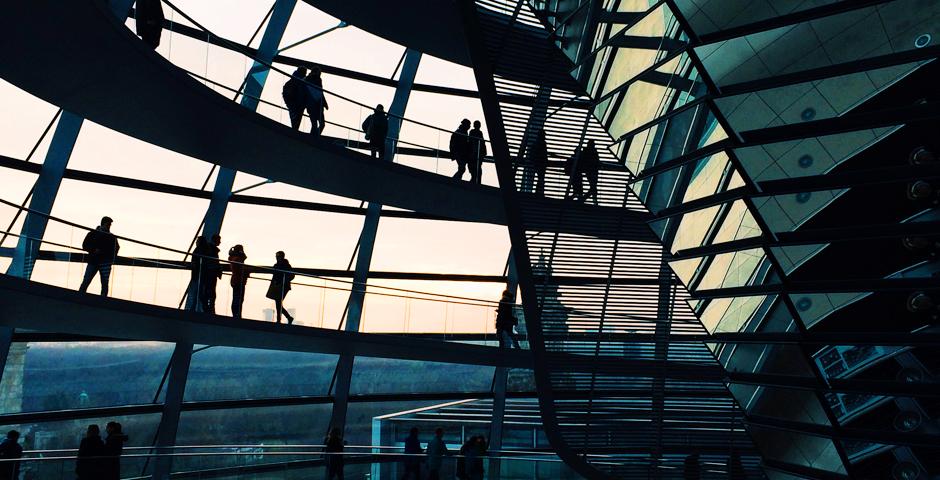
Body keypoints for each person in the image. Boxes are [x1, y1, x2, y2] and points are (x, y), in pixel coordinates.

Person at [79, 216, 120, 296]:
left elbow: (85, 245)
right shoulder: (110, 236)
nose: (109, 226)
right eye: (108, 225)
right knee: (98, 282)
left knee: (88, 281)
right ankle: (102, 300)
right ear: (104, 224)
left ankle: (79, 297)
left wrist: (93, 250)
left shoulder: (93, 233)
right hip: (102, 261)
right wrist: (95, 250)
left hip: (96, 261)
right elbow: (85, 245)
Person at [191, 234, 222, 313]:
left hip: (202, 274)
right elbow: (213, 262)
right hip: (208, 274)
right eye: (219, 240)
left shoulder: (201, 250)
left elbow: (195, 262)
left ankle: (197, 308)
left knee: (200, 292)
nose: (220, 242)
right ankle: (207, 309)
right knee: (206, 292)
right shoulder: (210, 250)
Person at [266, 251, 295, 324]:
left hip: (282, 286)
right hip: (280, 286)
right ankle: (286, 318)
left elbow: (291, 275)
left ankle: (282, 319)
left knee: (278, 303)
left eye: (277, 256)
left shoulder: (283, 265)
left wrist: (284, 281)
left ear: (281, 257)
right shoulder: (284, 265)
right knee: (278, 303)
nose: (276, 257)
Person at [569, 139, 600, 204]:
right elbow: (596, 161)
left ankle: (583, 199)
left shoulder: (585, 151)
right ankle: (587, 200)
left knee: (592, 187)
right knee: (593, 187)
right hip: (592, 171)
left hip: (589, 171)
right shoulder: (593, 151)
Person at [305, 67, 328, 137]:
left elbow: (320, 92)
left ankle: (313, 138)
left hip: (313, 104)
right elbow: (320, 92)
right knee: (319, 124)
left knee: (315, 124)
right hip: (315, 104)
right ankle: (314, 138)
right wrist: (325, 103)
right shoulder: (316, 79)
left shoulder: (307, 79)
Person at [228, 245, 249, 318]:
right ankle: (237, 314)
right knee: (239, 299)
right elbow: (240, 270)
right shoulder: (238, 259)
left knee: (236, 298)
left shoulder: (234, 258)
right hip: (239, 281)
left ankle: (236, 314)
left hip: (236, 280)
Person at [528, 129, 549, 195]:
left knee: (540, 178)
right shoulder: (542, 143)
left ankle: (538, 192)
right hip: (541, 163)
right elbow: (544, 154)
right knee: (541, 178)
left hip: (537, 163)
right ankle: (540, 193)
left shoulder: (535, 143)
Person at [468, 120, 487, 185]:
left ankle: (476, 183)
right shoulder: (474, 132)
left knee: (477, 171)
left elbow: (482, 142)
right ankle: (476, 184)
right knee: (475, 171)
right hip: (474, 154)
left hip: (476, 154)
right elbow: (482, 142)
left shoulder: (476, 132)